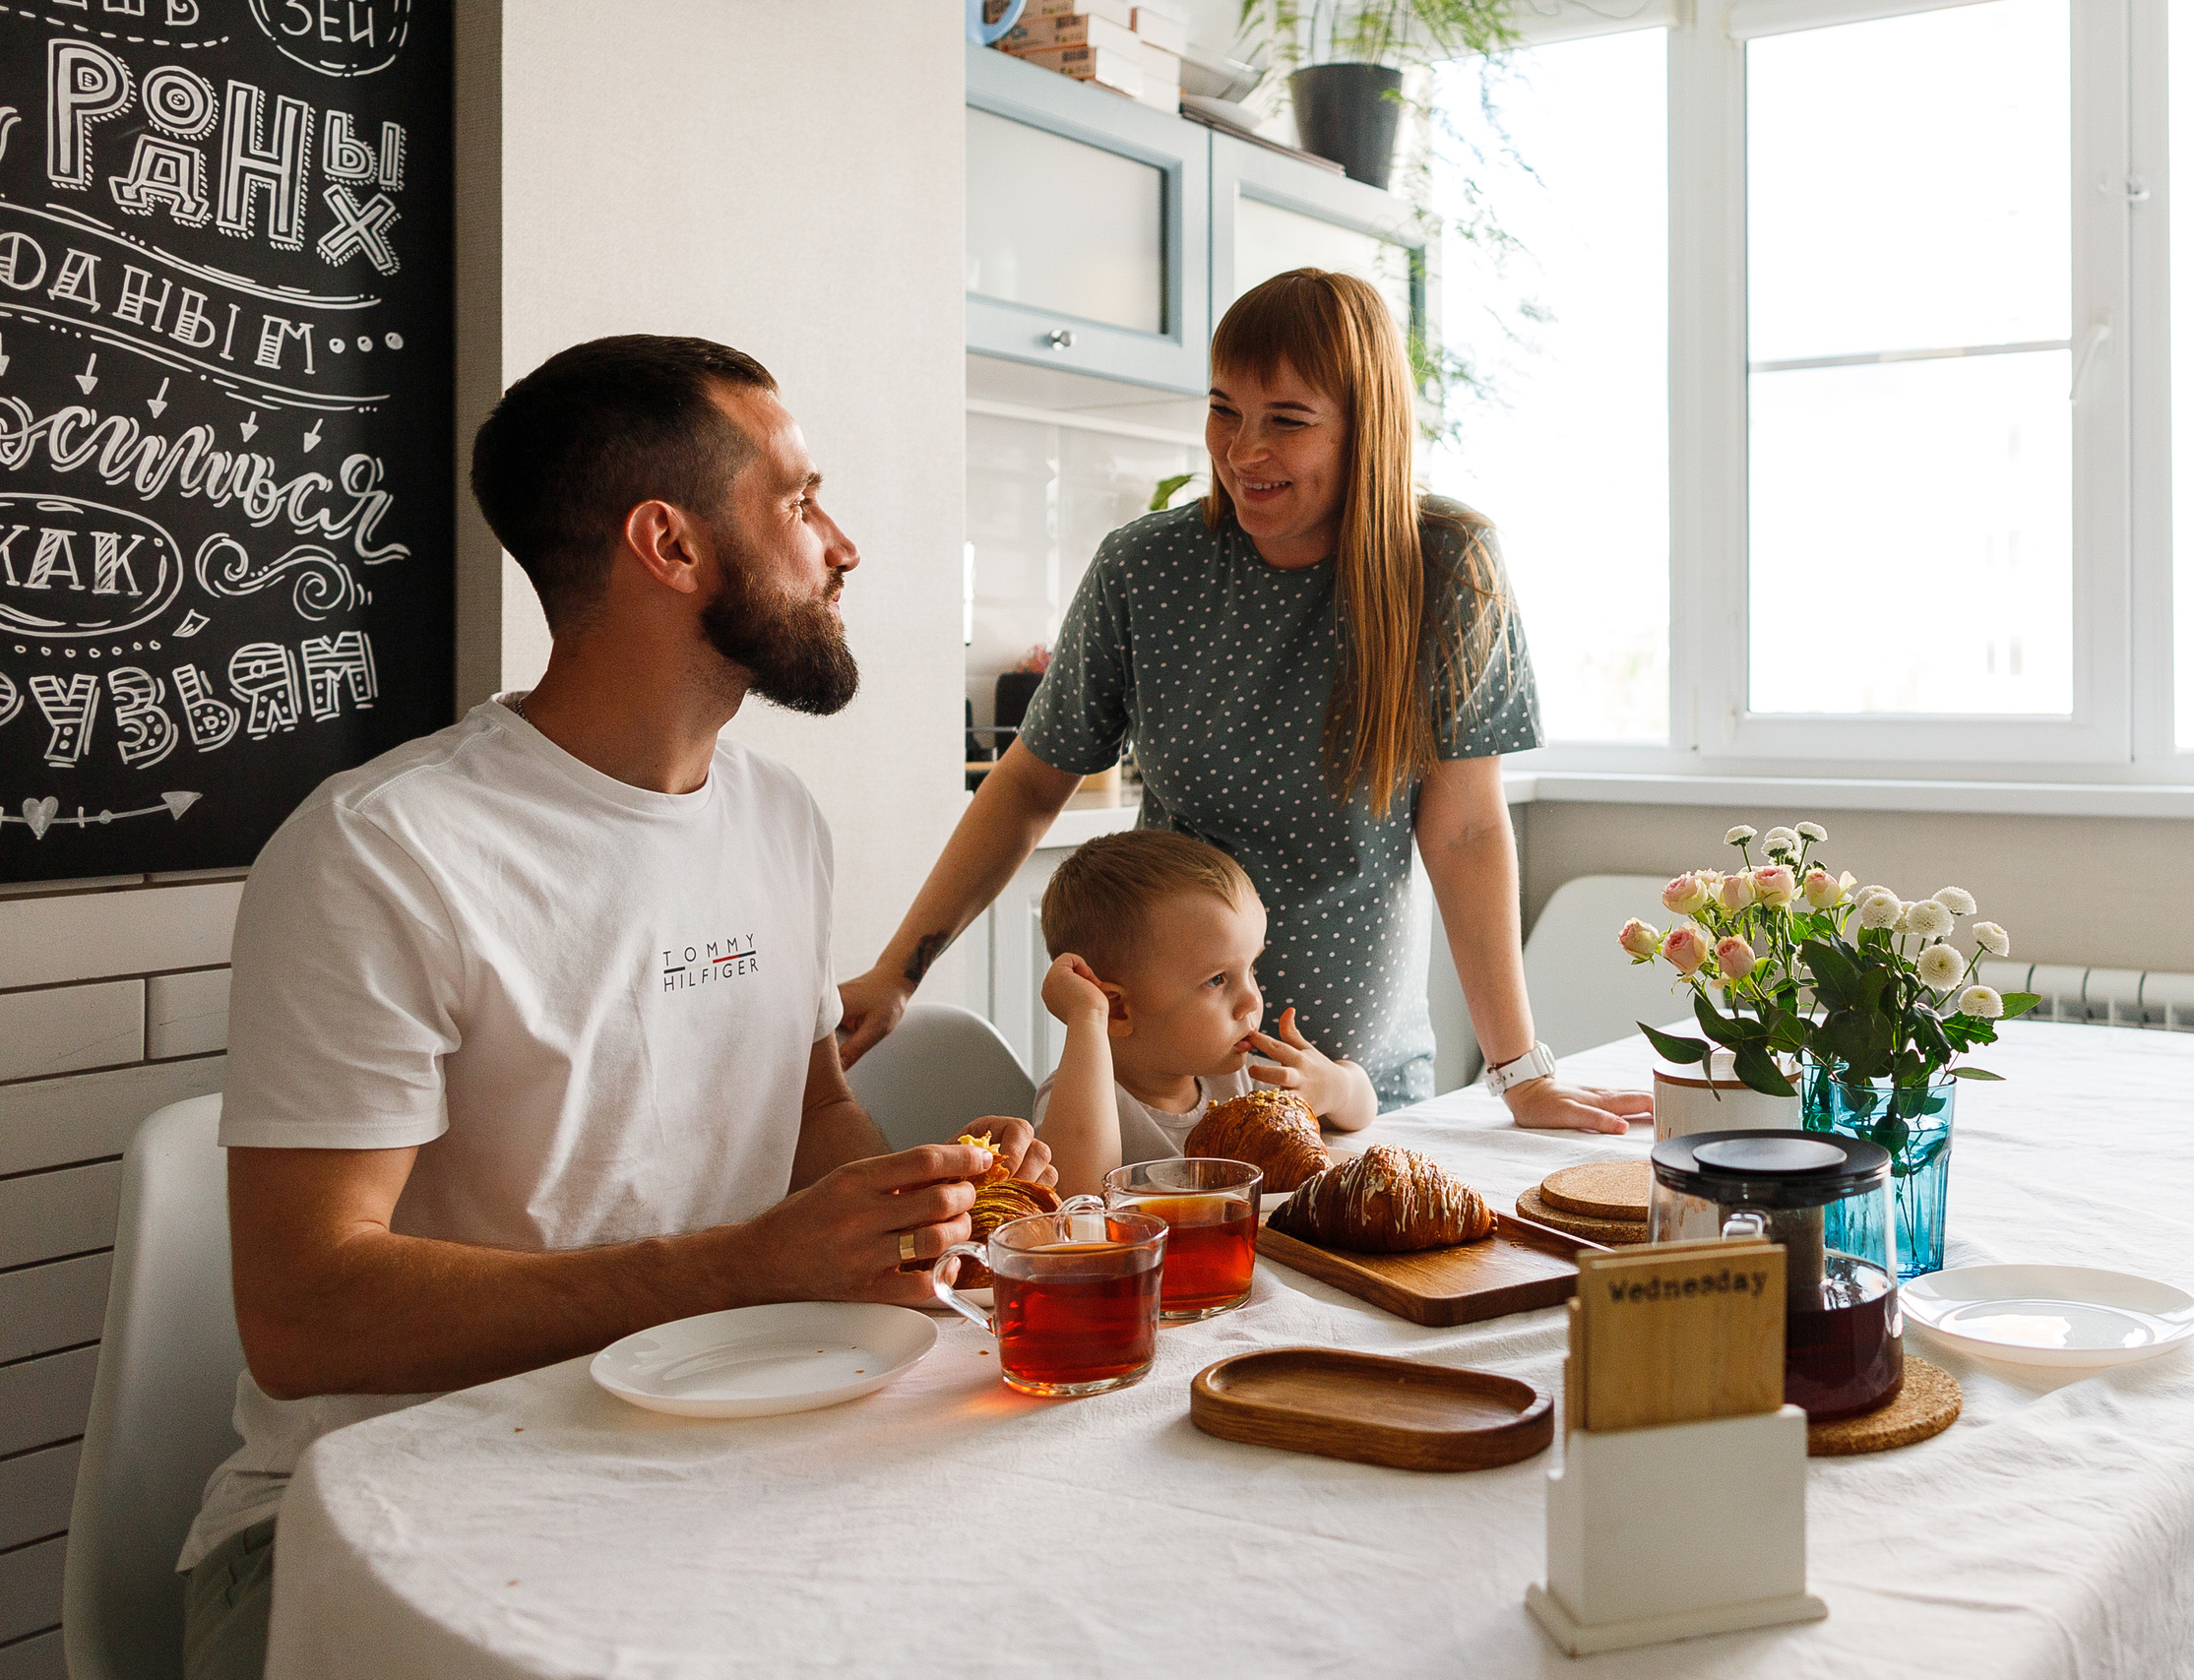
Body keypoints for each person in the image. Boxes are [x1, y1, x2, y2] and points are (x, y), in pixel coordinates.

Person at [175, 336, 1051, 1680]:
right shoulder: (382, 849)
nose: (844, 544)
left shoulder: (776, 817)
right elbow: (303, 1316)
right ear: (672, 545)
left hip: (711, 1447)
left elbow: (806, 1103)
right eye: (802, 500)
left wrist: (935, 1191)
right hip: (361, 1526)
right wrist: (744, 1265)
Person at [843, 269, 1648, 1133]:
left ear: (1364, 431)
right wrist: (900, 972)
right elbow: (1030, 786)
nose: (1241, 450)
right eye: (1224, 409)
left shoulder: (1449, 570)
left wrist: (1520, 1074)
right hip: (1166, 1102)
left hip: (1355, 1094)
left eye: (1288, 421)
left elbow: (1466, 832)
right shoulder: (1146, 569)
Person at [1033, 830, 1374, 1188]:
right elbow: (1074, 1194)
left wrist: (1338, 1088)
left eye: (1251, 968)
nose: (1253, 1001)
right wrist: (1087, 1016)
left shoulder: (1239, 1080)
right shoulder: (1076, 1095)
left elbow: (1362, 1106)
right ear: (1117, 1010)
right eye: (1217, 980)